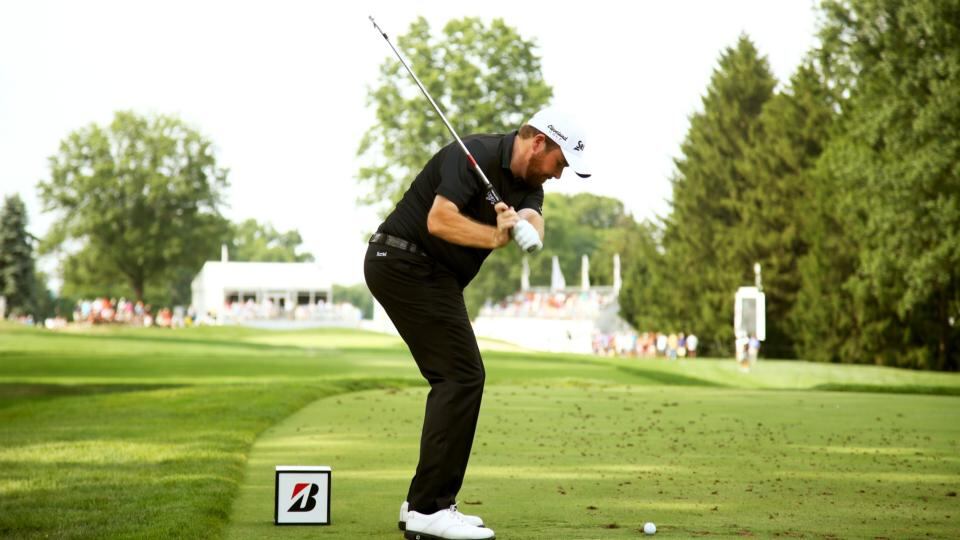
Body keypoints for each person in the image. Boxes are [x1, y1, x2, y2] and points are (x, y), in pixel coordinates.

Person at [364, 106, 590, 540]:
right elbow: (439, 219)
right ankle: (429, 510)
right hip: (402, 261)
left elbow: (533, 219)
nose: (559, 175)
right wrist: (495, 236)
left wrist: (526, 230)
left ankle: (423, 503)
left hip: (434, 275)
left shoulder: (530, 181)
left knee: (458, 376)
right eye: (560, 163)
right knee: (461, 376)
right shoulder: (473, 154)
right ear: (539, 141)